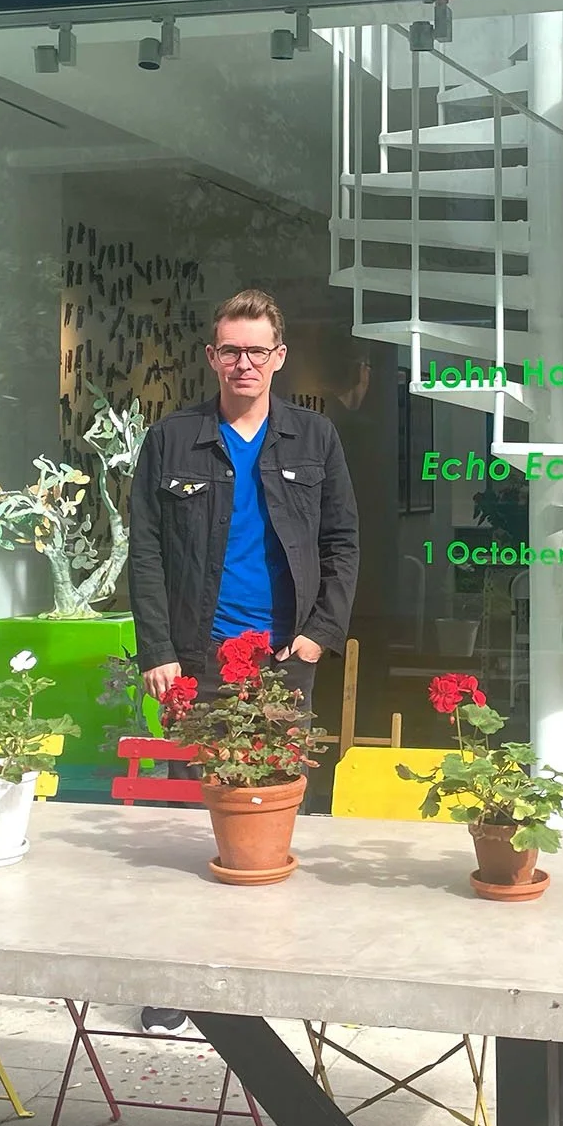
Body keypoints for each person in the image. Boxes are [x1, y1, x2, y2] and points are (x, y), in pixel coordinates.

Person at [127, 287, 360, 1029]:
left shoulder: (314, 440)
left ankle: (273, 981)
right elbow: (147, 551)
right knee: (187, 825)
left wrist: (320, 632)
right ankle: (178, 986)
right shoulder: (171, 439)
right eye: (230, 349)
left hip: (284, 658)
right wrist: (158, 649)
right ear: (211, 356)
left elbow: (342, 544)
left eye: (257, 349)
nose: (243, 362)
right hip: (197, 661)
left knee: (274, 827)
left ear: (279, 357)